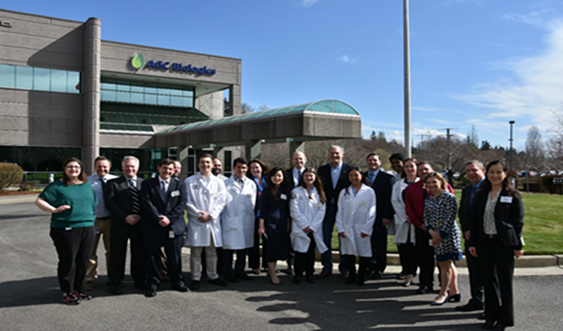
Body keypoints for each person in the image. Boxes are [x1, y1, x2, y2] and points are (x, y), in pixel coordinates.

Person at [469, 161, 524, 331]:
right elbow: (475, 220)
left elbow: (517, 222)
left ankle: (505, 319)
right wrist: (472, 243)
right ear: (487, 174)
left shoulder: (512, 194)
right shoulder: (481, 194)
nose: (495, 175)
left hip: (504, 244)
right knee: (489, 281)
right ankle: (490, 315)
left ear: (505, 174)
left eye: (499, 172)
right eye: (492, 172)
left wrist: (517, 244)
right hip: (485, 243)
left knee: (504, 282)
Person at [35, 157, 97, 305]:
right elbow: (39, 200)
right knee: (69, 261)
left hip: (87, 227)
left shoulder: (87, 185)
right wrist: (54, 210)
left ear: (81, 169)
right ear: (64, 169)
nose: (73, 169)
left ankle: (78, 290)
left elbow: (93, 204)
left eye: (76, 167)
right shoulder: (57, 186)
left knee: (83, 261)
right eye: (70, 166)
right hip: (66, 228)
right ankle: (67, 292)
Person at [140, 158, 188, 297]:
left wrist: (169, 219)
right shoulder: (148, 184)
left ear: (174, 171)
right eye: (164, 168)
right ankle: (153, 282)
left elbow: (181, 204)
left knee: (174, 256)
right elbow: (146, 202)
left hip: (173, 226)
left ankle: (177, 281)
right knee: (152, 256)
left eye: (170, 169)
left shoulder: (180, 185)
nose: (167, 171)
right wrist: (158, 218)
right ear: (158, 168)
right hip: (153, 226)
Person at [404, 161, 454, 294]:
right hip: (422, 229)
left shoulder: (445, 186)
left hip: (442, 231)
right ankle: (426, 284)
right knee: (424, 258)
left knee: (443, 259)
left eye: (426, 169)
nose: (423, 172)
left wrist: (440, 230)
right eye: (420, 170)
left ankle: (445, 285)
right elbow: (410, 210)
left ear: (431, 169)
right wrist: (423, 226)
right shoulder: (411, 189)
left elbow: (452, 209)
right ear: (417, 172)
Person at [185, 154, 228, 290]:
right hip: (197, 221)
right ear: (198, 164)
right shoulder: (190, 181)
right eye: (202, 162)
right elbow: (187, 201)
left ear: (212, 165)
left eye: (208, 163)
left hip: (211, 221)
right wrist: (198, 214)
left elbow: (222, 201)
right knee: (196, 253)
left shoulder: (219, 182)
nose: (205, 165)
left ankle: (213, 275)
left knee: (211, 252)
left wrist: (210, 215)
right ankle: (195, 277)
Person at [105, 156, 146, 295]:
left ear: (137, 168)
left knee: (139, 254)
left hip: (139, 224)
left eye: (133, 166)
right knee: (117, 255)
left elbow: (148, 203)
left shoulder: (144, 183)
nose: (130, 169)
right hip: (120, 224)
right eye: (127, 166)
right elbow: (110, 203)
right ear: (122, 167)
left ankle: (139, 281)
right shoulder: (112, 183)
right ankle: (115, 282)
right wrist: (125, 217)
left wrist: (140, 216)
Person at [424, 172, 462, 306]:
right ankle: (454, 291)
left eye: (434, 182)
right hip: (434, 234)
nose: (431, 185)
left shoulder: (449, 197)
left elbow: (450, 217)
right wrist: (431, 232)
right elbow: (426, 217)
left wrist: (440, 235)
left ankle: (443, 293)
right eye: (429, 183)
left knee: (444, 264)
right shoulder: (428, 199)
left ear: (441, 182)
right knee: (447, 263)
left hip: (447, 234)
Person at [317, 145, 354, 280]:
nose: (335, 156)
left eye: (337, 153)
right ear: (328, 155)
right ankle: (327, 267)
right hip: (326, 208)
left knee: (343, 237)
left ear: (342, 154)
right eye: (332, 153)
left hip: (344, 208)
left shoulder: (350, 169)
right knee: (325, 237)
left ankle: (344, 268)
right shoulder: (322, 170)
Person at [335, 167, 376, 286]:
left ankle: (361, 276)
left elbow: (372, 211)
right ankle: (351, 275)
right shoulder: (344, 192)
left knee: (364, 253)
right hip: (347, 227)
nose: (354, 178)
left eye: (356, 175)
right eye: (351, 175)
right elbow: (340, 211)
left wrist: (367, 228)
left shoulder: (369, 191)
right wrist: (340, 228)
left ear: (361, 176)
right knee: (349, 253)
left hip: (362, 227)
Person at [289, 168, 328, 284]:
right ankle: (298, 274)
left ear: (315, 177)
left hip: (313, 229)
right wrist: (304, 225)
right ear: (302, 177)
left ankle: (310, 274)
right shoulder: (296, 191)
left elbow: (322, 211)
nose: (309, 178)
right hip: (300, 228)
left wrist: (312, 226)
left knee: (311, 253)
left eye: (311, 176)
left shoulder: (319, 192)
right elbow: (294, 210)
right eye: (306, 176)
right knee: (300, 253)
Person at [456, 160, 486, 312]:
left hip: (485, 237)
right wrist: (466, 229)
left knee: (488, 272)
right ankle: (477, 299)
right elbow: (463, 213)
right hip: (469, 237)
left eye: (474, 170)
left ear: (483, 170)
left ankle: (490, 306)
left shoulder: (490, 189)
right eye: (468, 171)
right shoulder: (468, 190)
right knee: (474, 270)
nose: (470, 174)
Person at [221, 157, 257, 282]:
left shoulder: (251, 184)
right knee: (229, 248)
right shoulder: (225, 184)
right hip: (230, 218)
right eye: (238, 167)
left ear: (247, 169)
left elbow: (253, 202)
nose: (241, 170)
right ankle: (228, 272)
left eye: (243, 168)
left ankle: (240, 271)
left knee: (243, 247)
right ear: (233, 168)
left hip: (246, 219)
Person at [84, 156, 117, 290]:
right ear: (94, 167)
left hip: (111, 221)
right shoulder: (86, 181)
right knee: (90, 252)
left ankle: (113, 277)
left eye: (105, 166)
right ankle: (90, 278)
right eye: (99, 166)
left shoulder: (115, 180)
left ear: (109, 167)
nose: (102, 169)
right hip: (93, 222)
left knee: (112, 251)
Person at [364, 153, 395, 279]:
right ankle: (369, 265)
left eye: (375, 160)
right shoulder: (362, 176)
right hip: (364, 215)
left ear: (380, 162)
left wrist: (387, 216)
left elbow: (389, 198)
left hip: (380, 215)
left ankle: (380, 267)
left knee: (379, 242)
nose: (372, 163)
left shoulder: (387, 178)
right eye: (370, 160)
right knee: (367, 241)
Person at [258, 167, 290, 285]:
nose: (277, 178)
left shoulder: (285, 190)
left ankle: (273, 269)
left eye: (280, 176)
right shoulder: (267, 191)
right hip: (270, 222)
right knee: (271, 247)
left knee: (278, 246)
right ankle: (272, 273)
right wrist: (261, 226)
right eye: (275, 176)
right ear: (270, 177)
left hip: (282, 222)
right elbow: (262, 209)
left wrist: (288, 223)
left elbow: (287, 209)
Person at [391, 158, 419, 287]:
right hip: (404, 221)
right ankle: (408, 275)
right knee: (405, 249)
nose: (409, 169)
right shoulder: (398, 185)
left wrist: (415, 218)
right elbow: (395, 202)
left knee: (417, 250)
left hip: (418, 222)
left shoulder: (422, 183)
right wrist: (406, 216)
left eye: (412, 166)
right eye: (406, 166)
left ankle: (418, 275)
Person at [284, 151, 307, 275]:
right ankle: (291, 264)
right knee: (291, 237)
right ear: (292, 160)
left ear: (305, 160)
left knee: (306, 238)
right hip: (289, 211)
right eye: (296, 159)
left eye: (301, 159)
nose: (299, 161)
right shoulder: (286, 174)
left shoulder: (311, 174)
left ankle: (305, 264)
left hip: (307, 212)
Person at [247, 159, 269, 274]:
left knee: (267, 241)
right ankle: (255, 265)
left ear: (262, 168)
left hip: (267, 215)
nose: (255, 170)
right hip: (254, 215)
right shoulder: (249, 182)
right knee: (254, 241)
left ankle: (267, 264)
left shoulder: (267, 180)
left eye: (257, 167)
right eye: (252, 168)